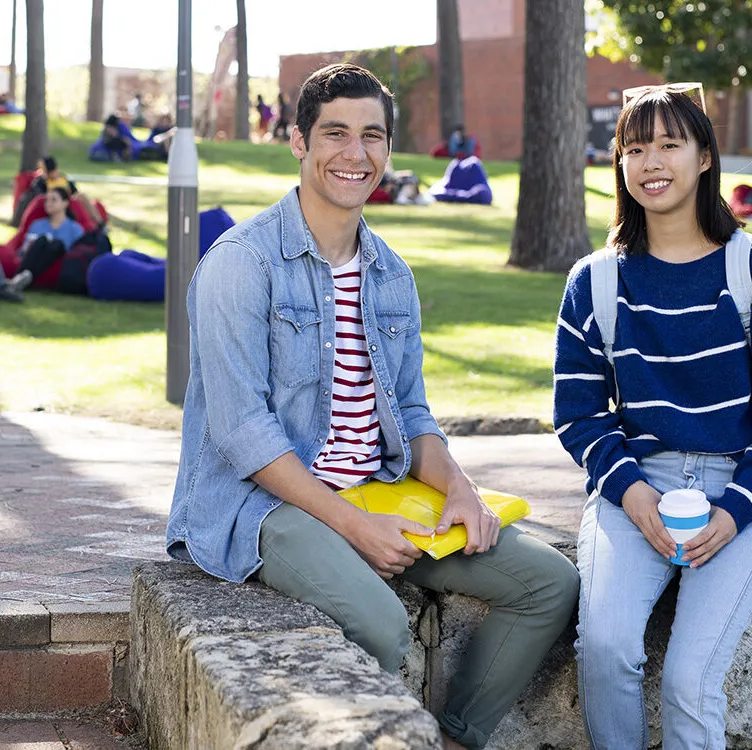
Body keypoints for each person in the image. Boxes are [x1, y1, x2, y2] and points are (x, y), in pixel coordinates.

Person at [167, 63, 577, 750]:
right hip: (265, 507)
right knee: (382, 623)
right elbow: (244, 435)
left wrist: (464, 495)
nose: (355, 154)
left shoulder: (390, 273)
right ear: (298, 142)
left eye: (372, 136)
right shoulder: (243, 262)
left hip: (380, 494)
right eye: (335, 134)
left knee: (547, 583)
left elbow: (412, 412)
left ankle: (449, 738)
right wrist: (354, 529)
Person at [552, 84, 752, 749]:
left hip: (738, 491)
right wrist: (632, 493)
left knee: (689, 680)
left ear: (704, 157)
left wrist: (734, 514)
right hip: (633, 487)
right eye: (634, 148)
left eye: (670, 144)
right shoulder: (595, 281)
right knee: (607, 648)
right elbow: (578, 414)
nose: (651, 162)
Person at [8, 186, 89, 291]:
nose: (48, 203)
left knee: (57, 244)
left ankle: (21, 277)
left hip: (61, 262)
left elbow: (79, 252)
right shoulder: (37, 225)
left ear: (65, 203)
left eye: (53, 200)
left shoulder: (75, 228)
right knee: (42, 240)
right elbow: (23, 250)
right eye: (47, 200)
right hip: (34, 257)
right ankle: (19, 278)